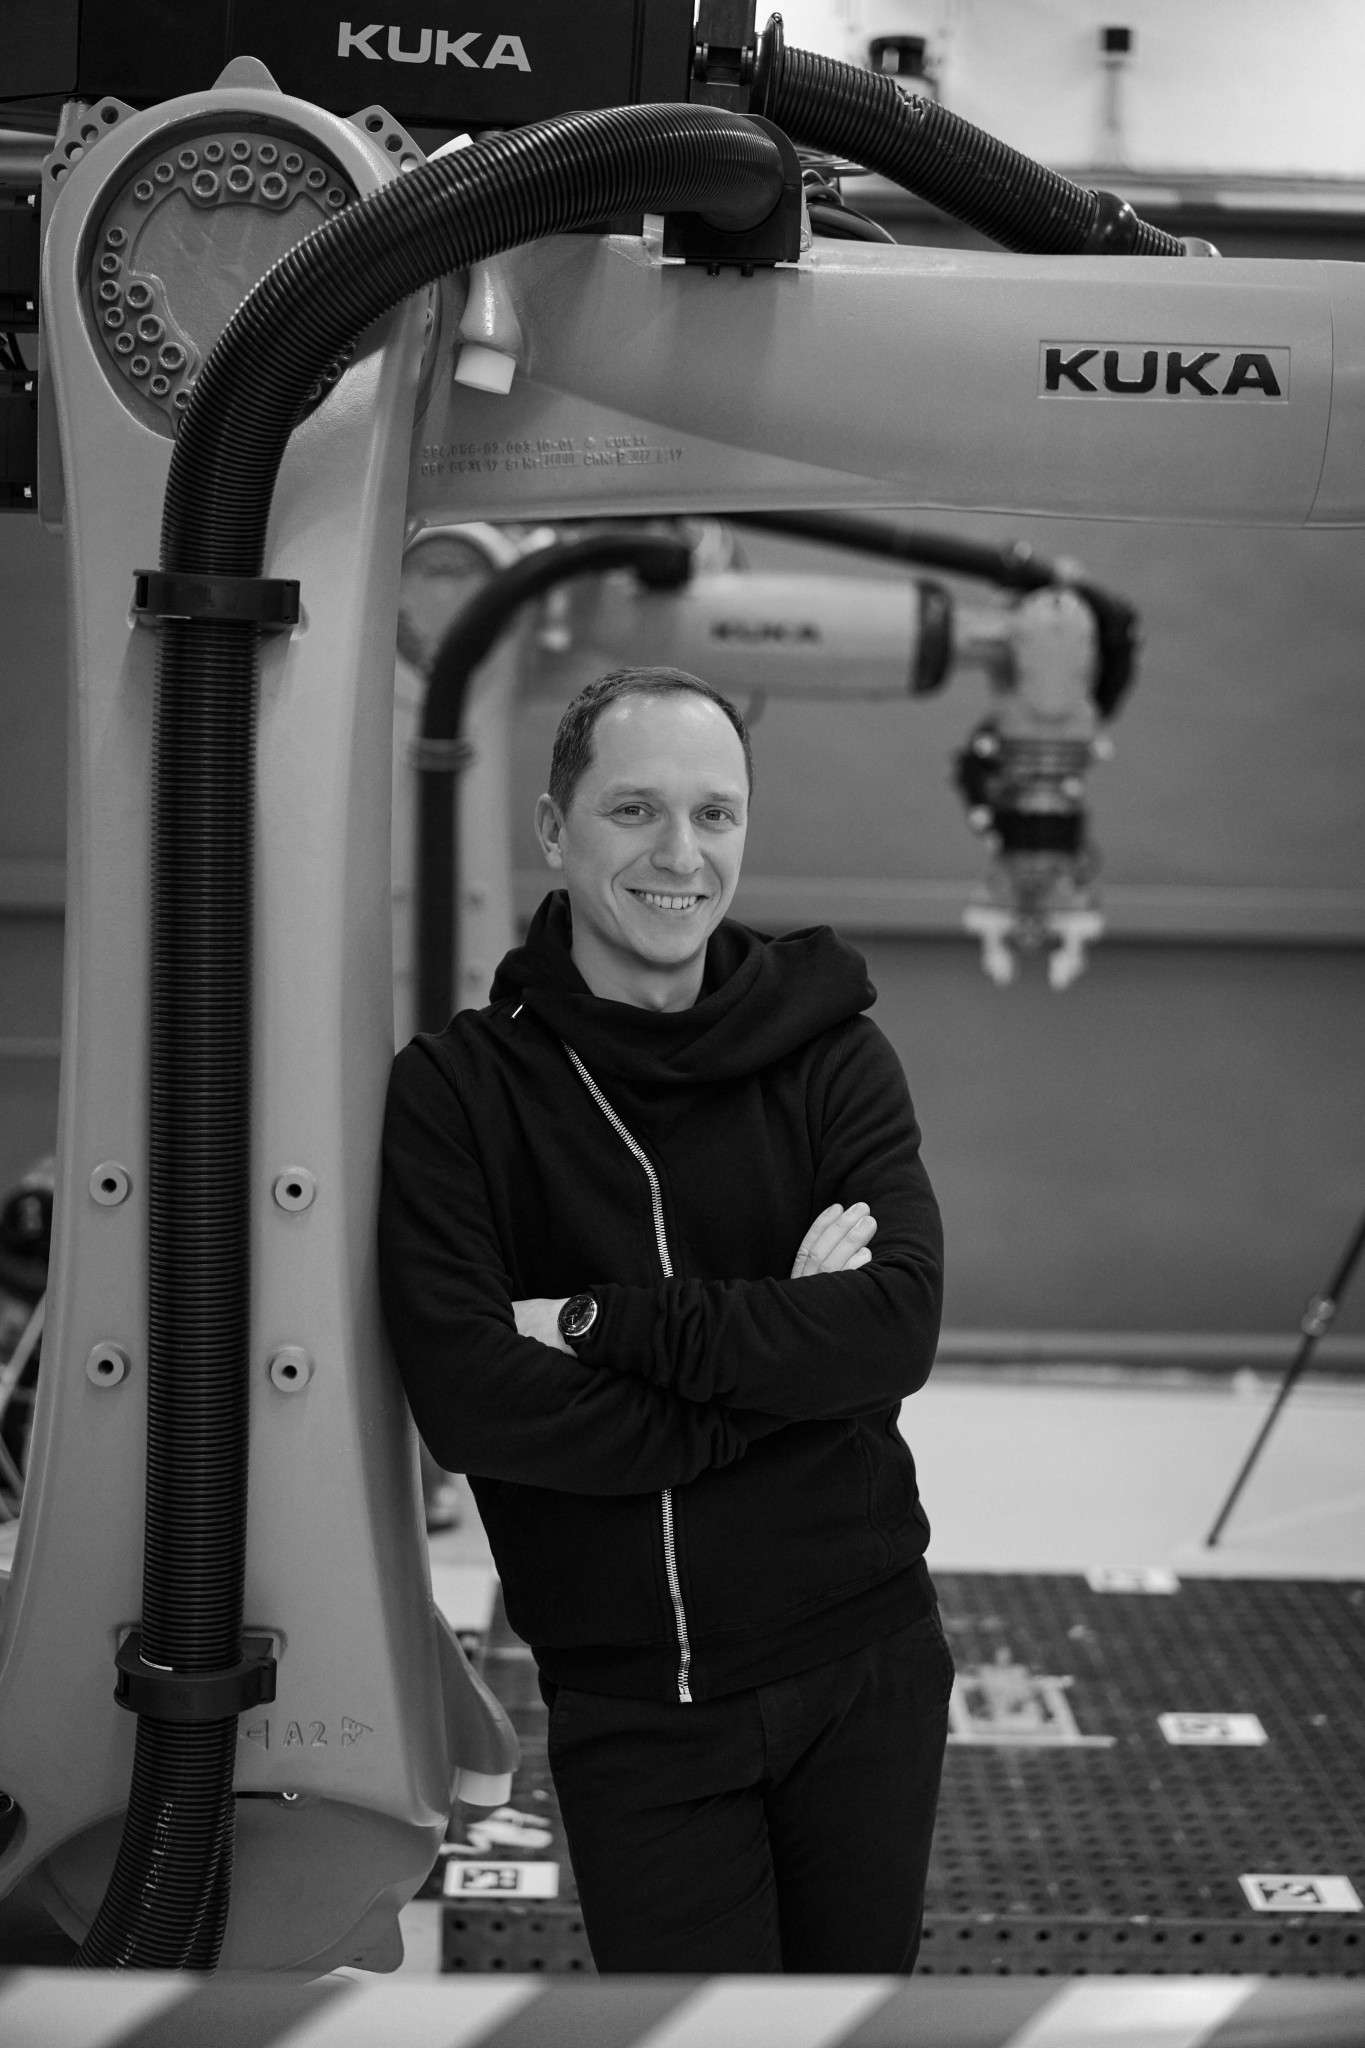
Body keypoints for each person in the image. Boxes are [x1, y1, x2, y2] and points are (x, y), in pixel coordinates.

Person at [378, 664, 951, 1973]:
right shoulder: (460, 1095)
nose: (680, 854)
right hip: (635, 1705)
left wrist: (594, 1326)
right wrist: (778, 1378)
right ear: (553, 828)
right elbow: (474, 1404)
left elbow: (893, 1329)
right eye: (634, 810)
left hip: (863, 1668)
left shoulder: (831, 1051)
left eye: (714, 814)